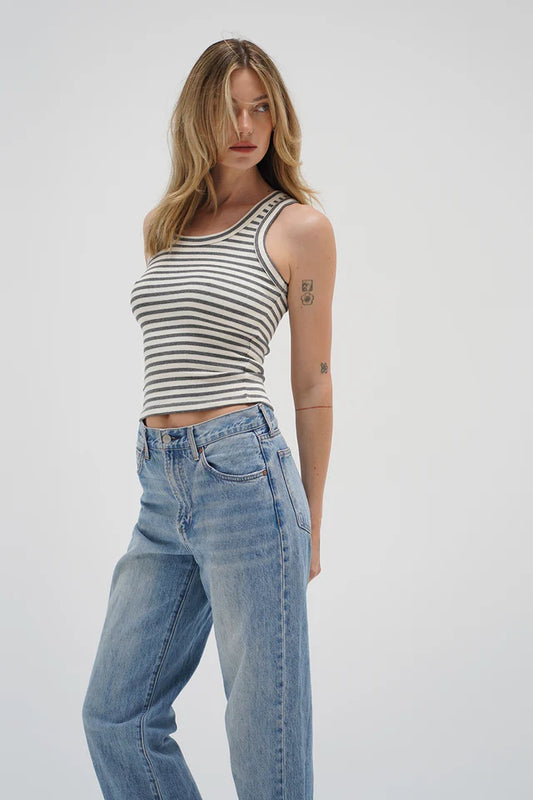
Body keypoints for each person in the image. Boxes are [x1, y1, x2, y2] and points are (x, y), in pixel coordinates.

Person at [82, 37, 336, 800]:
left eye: (261, 107)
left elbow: (314, 384)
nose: (246, 124)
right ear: (200, 115)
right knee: (116, 718)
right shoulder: (169, 223)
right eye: (230, 107)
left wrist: (311, 522)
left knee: (266, 744)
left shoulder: (296, 228)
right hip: (160, 487)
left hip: (243, 479)